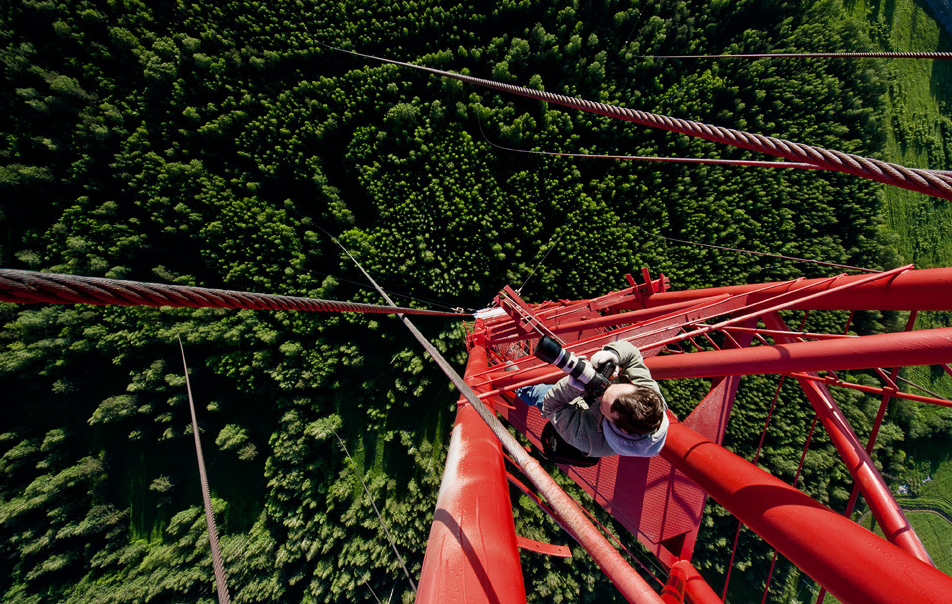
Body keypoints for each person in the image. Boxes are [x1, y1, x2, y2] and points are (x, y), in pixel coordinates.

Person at [517, 340, 668, 458]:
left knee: (540, 393)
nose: (603, 390)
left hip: (578, 419)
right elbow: (633, 355)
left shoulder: (589, 440)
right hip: (591, 410)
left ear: (622, 429)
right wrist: (614, 353)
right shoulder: (649, 397)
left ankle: (520, 388)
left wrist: (572, 387)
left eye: (603, 402)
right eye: (612, 385)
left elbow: (551, 406)